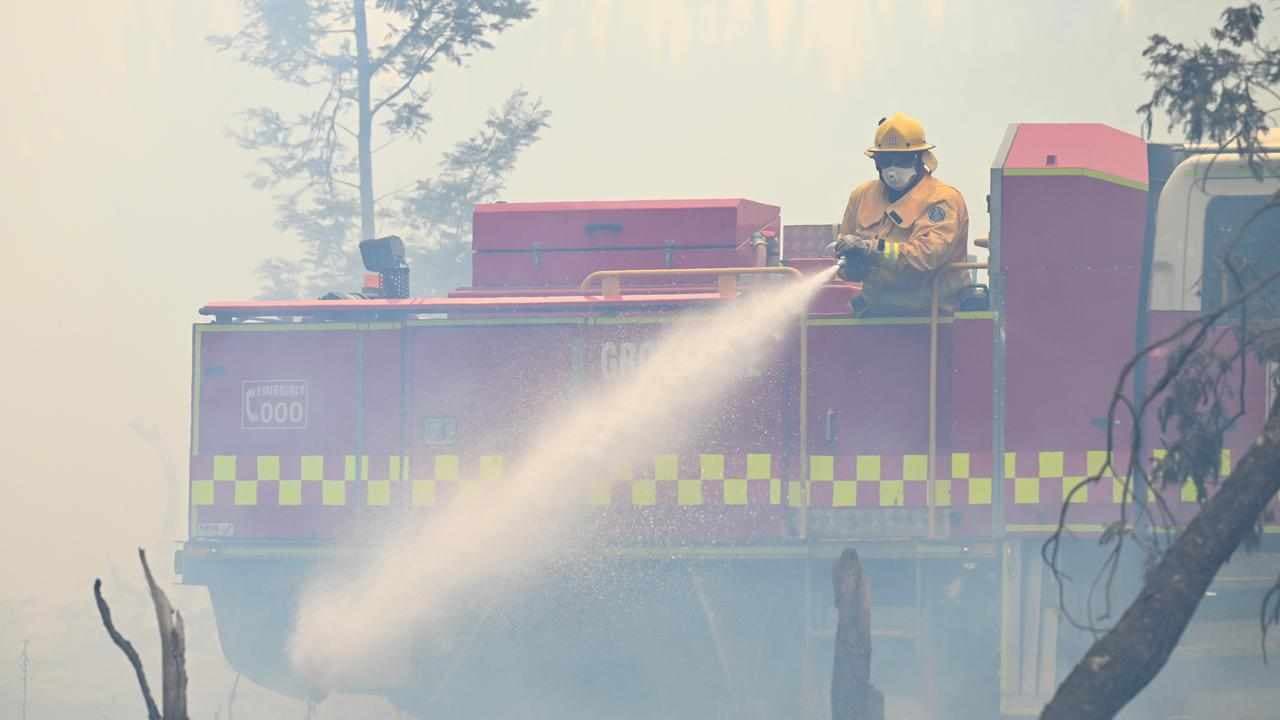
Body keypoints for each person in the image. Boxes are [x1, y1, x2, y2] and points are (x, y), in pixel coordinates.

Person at [833, 113, 970, 317]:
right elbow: (844, 256)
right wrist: (852, 265)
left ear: (920, 159)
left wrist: (872, 249)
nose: (892, 169)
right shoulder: (862, 196)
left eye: (903, 160)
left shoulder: (942, 200)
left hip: (930, 318)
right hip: (876, 313)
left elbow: (927, 255)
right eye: (885, 160)